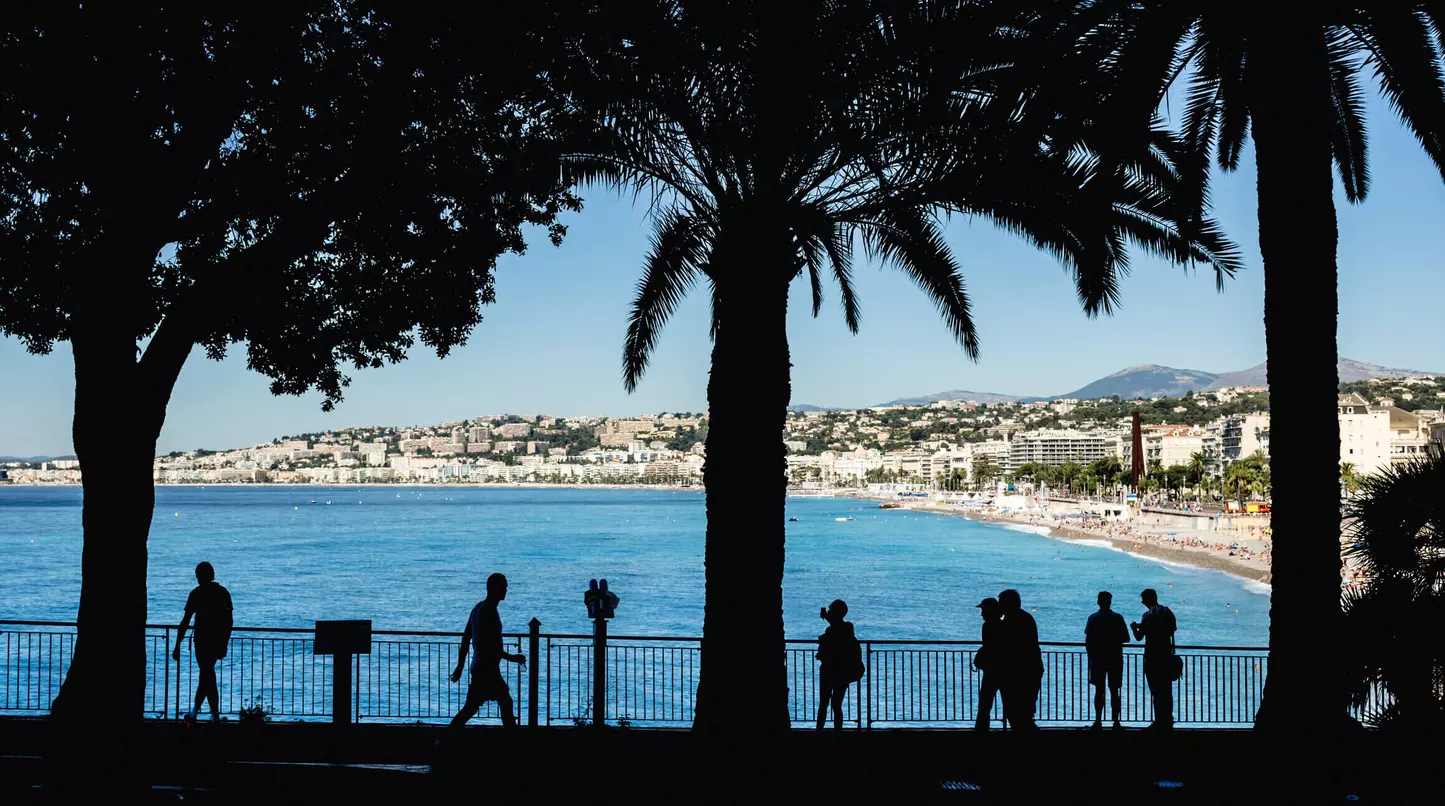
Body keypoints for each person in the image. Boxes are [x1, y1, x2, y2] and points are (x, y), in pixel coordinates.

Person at [448, 573, 526, 728]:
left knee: (471, 709)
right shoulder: (488, 612)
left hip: (479, 668)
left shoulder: (478, 608)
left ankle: (443, 740)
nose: (506, 590)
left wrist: (460, 667)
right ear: (494, 588)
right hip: (487, 669)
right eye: (503, 586)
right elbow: (492, 647)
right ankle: (515, 743)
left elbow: (465, 638)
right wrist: (514, 658)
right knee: (504, 702)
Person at [171, 561, 233, 724]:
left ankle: (199, 715)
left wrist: (177, 644)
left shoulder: (196, 594)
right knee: (207, 676)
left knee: (206, 675)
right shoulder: (222, 593)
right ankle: (205, 715)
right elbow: (229, 621)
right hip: (215, 641)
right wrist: (224, 642)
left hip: (202, 641)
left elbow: (185, 621)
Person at [1131, 588, 1177, 730]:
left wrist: (1134, 628)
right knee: (1167, 689)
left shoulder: (1147, 615)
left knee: (1156, 690)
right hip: (1166, 655)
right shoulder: (1166, 611)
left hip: (1152, 657)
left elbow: (1139, 637)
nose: (1142, 602)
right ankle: (1168, 719)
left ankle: (1159, 720)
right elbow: (1172, 629)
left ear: (1148, 599)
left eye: (1143, 599)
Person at [997, 589, 1042, 730]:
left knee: (1017, 712)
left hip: (1020, 672)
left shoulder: (1012, 621)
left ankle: (1026, 745)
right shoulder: (1025, 618)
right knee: (1025, 712)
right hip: (1031, 669)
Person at [815, 599, 863, 731]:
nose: (828, 613)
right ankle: (838, 733)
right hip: (843, 671)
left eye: (830, 611)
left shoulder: (833, 629)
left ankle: (819, 731)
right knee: (836, 704)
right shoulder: (848, 627)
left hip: (829, 670)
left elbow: (833, 636)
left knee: (824, 703)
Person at [1084, 591, 1129, 730]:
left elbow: (1088, 641)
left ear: (1098, 602)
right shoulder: (1118, 618)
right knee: (1115, 691)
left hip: (1098, 659)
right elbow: (1126, 638)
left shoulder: (1093, 618)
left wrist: (1092, 655)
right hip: (1115, 658)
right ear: (1110, 602)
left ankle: (1098, 721)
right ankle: (1116, 722)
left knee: (1099, 691)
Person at [972, 597, 1005, 731]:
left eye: (983, 610)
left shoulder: (988, 625)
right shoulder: (1003, 625)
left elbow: (989, 646)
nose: (981, 614)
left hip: (992, 670)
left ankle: (981, 733)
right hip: (1003, 668)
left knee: (985, 704)